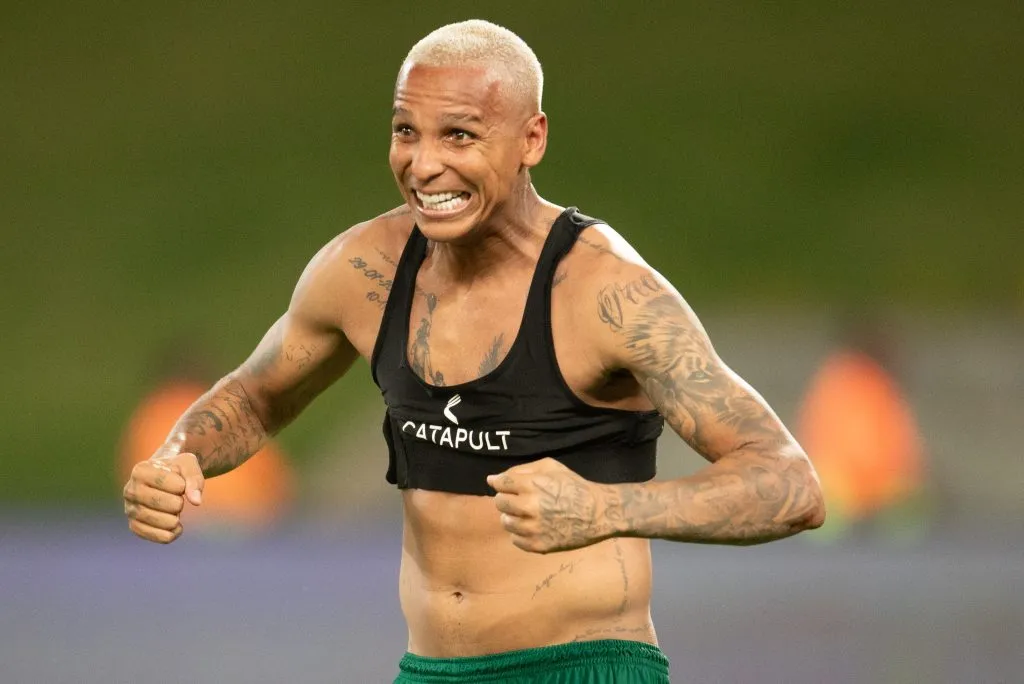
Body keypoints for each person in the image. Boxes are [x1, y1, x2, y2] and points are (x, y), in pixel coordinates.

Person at [121, 19, 825, 683]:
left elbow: (789, 485)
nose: (424, 165)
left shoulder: (606, 293)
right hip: (430, 670)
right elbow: (255, 396)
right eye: (406, 131)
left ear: (532, 139)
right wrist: (178, 457)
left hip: (583, 668)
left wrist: (605, 510)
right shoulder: (363, 272)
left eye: (459, 135)